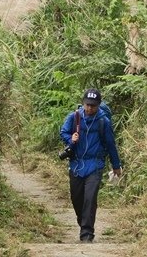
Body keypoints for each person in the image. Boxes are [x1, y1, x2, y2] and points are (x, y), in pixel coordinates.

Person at [59, 88, 122, 243]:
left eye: (93, 105)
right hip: (76, 164)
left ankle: (87, 233)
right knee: (76, 198)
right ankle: (83, 221)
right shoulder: (74, 117)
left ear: (99, 105)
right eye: (87, 105)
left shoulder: (103, 121)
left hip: (95, 164)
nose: (90, 108)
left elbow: (110, 144)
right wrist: (70, 139)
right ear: (83, 103)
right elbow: (63, 132)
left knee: (90, 198)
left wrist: (116, 165)